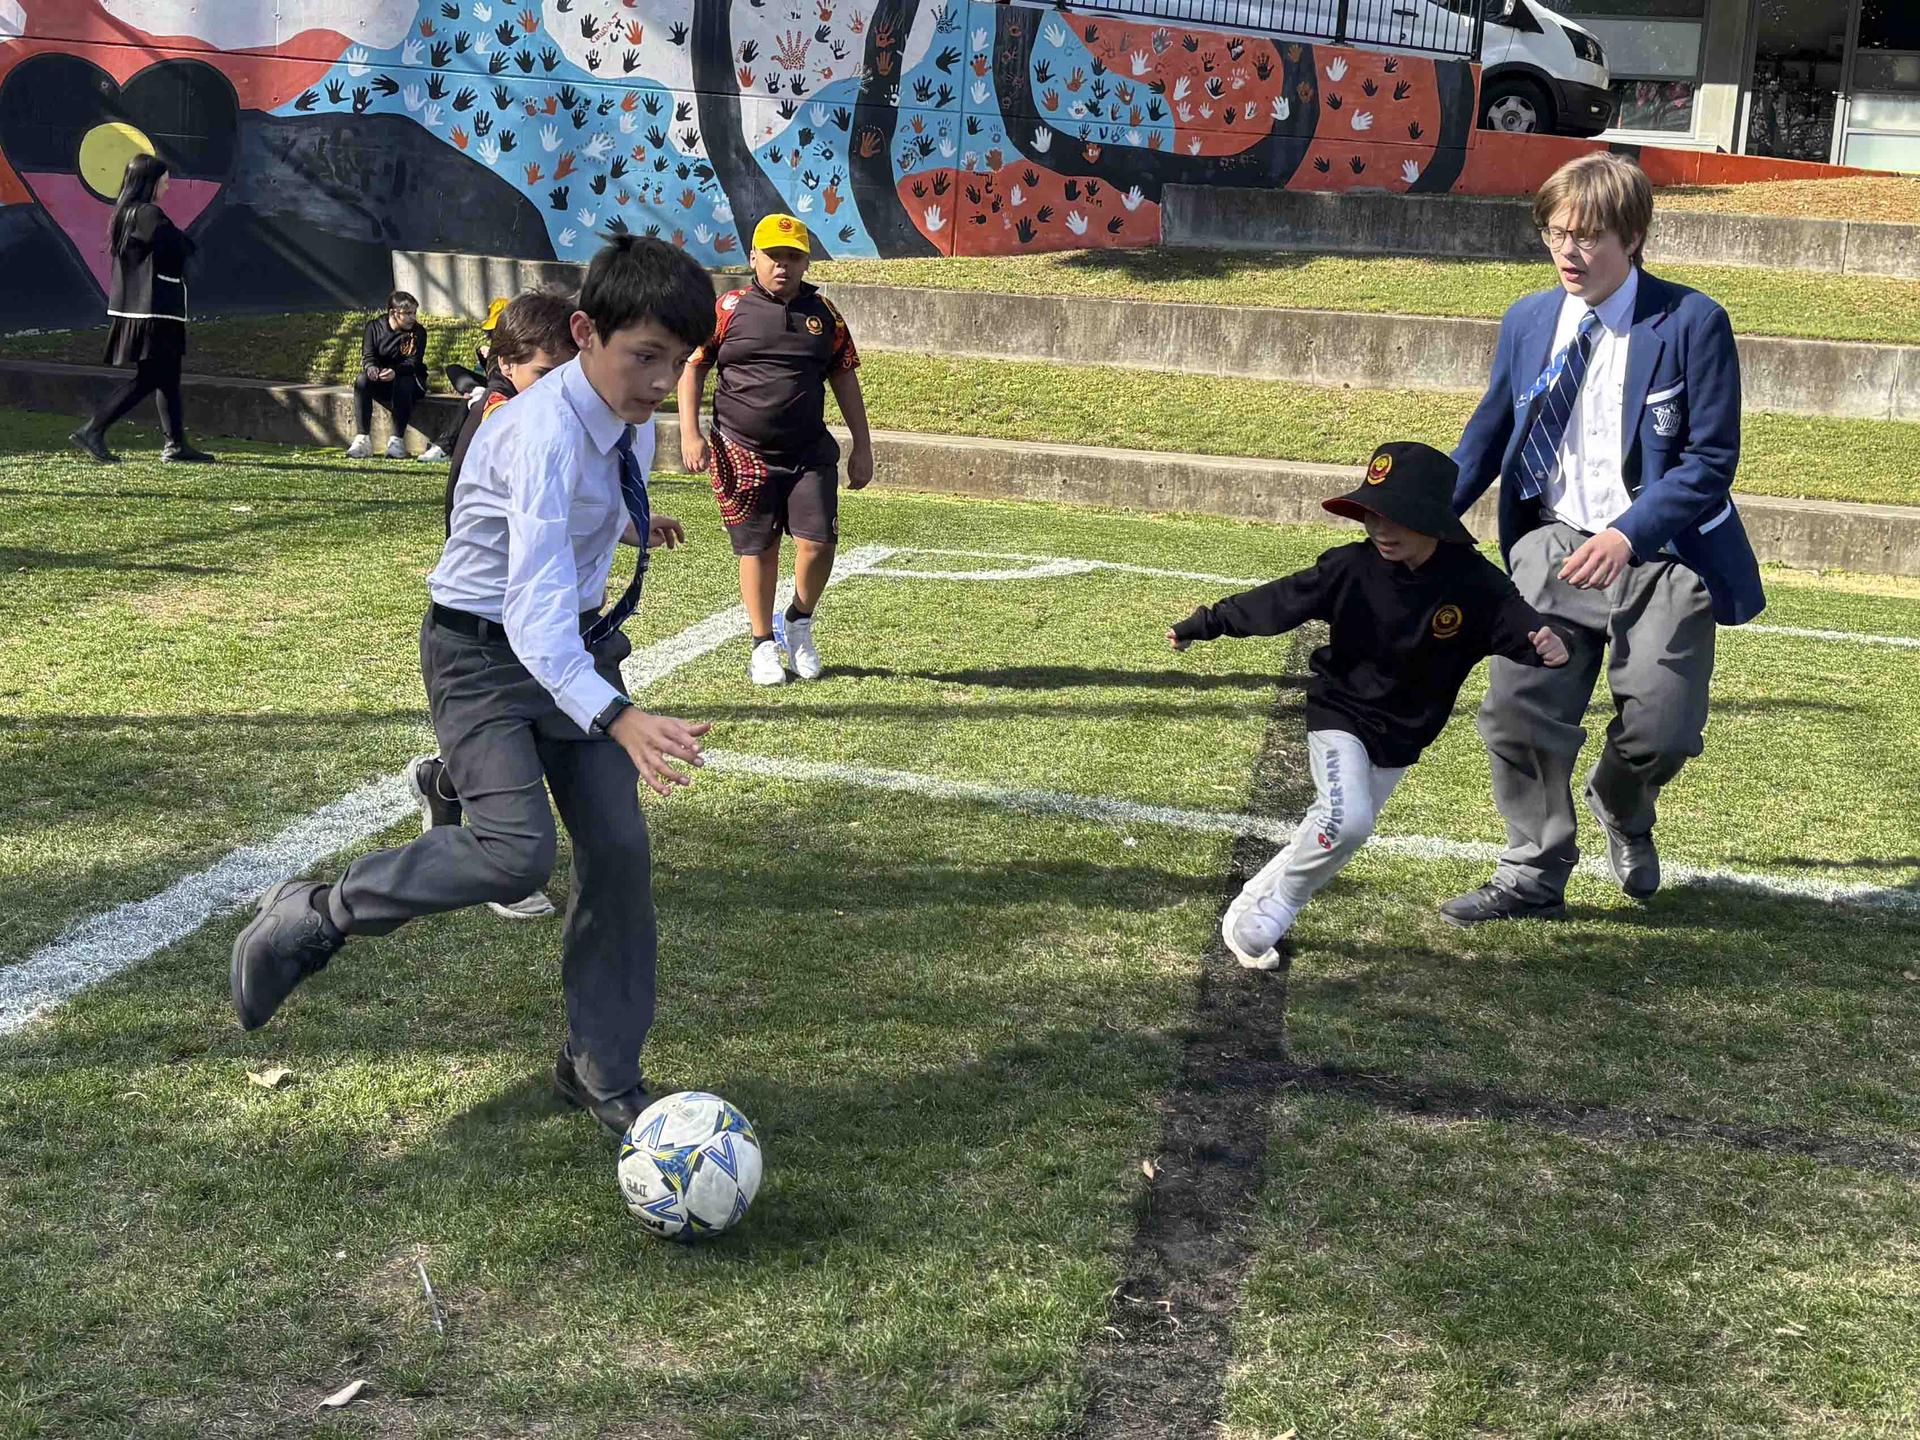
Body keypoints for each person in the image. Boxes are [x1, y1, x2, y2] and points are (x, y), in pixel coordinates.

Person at [231, 236, 716, 1139]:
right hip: (483, 657)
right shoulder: (539, 434)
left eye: (679, 362)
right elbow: (528, 612)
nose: (660, 382)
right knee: (514, 854)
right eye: (645, 356)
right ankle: (319, 912)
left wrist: (628, 526)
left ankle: (600, 1070)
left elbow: (565, 539)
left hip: (571, 647)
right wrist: (618, 716)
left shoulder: (629, 419)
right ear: (585, 332)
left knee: (618, 856)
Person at [1440, 153, 1765, 927]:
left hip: (1664, 558)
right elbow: (1489, 435)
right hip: (1552, 546)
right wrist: (1422, 519)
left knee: (1663, 731)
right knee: (1518, 712)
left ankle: (1621, 798)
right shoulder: (1527, 319)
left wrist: (1628, 534)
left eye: (1587, 236)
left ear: (1634, 237)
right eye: (1556, 233)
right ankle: (1532, 872)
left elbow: (1711, 462)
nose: (1568, 252)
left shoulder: (1692, 322)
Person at [1168, 442, 1569, 969]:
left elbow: (1520, 625)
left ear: (1433, 519)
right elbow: (1280, 600)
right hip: (1340, 713)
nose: (1380, 528)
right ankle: (1279, 910)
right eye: (1371, 514)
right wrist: (1207, 623)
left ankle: (1249, 912)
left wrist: (1546, 644)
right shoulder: (1350, 567)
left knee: (1330, 829)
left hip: (1403, 734)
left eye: (1396, 516)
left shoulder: (1476, 583)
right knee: (1348, 820)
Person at [406, 283, 582, 922]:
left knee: (527, 727)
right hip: (487, 618)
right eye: (543, 372)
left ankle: (444, 782)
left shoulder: (566, 417)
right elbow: (470, 505)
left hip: (534, 611)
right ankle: (503, 859)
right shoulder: (499, 418)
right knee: (516, 731)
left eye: (567, 372)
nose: (557, 387)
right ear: (503, 364)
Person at [677, 212, 875, 686]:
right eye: (773, 256)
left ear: (806, 262)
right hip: (742, 451)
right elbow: (693, 366)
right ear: (753, 258)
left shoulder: (825, 315)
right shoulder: (727, 308)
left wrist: (862, 446)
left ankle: (798, 621)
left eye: (792, 256)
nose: (782, 265)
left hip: (808, 453)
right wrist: (690, 433)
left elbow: (845, 377)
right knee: (759, 547)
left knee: (818, 543)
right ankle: (762, 642)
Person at [68, 152, 215, 465]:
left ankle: (176, 444)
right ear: (150, 183)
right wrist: (182, 241)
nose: (167, 186)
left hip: (143, 309)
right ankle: (93, 429)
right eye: (164, 181)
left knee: (168, 377)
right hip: (153, 310)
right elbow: (180, 246)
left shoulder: (126, 213)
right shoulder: (148, 214)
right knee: (151, 377)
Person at [348, 290, 438, 461]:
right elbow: (368, 355)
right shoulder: (374, 327)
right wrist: (371, 368)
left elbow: (413, 363)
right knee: (362, 380)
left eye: (414, 313)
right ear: (393, 313)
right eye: (407, 313)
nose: (412, 318)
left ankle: (397, 441)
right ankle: (362, 439)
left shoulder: (418, 332)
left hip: (410, 381)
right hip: (382, 380)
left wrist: (395, 371)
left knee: (403, 381)